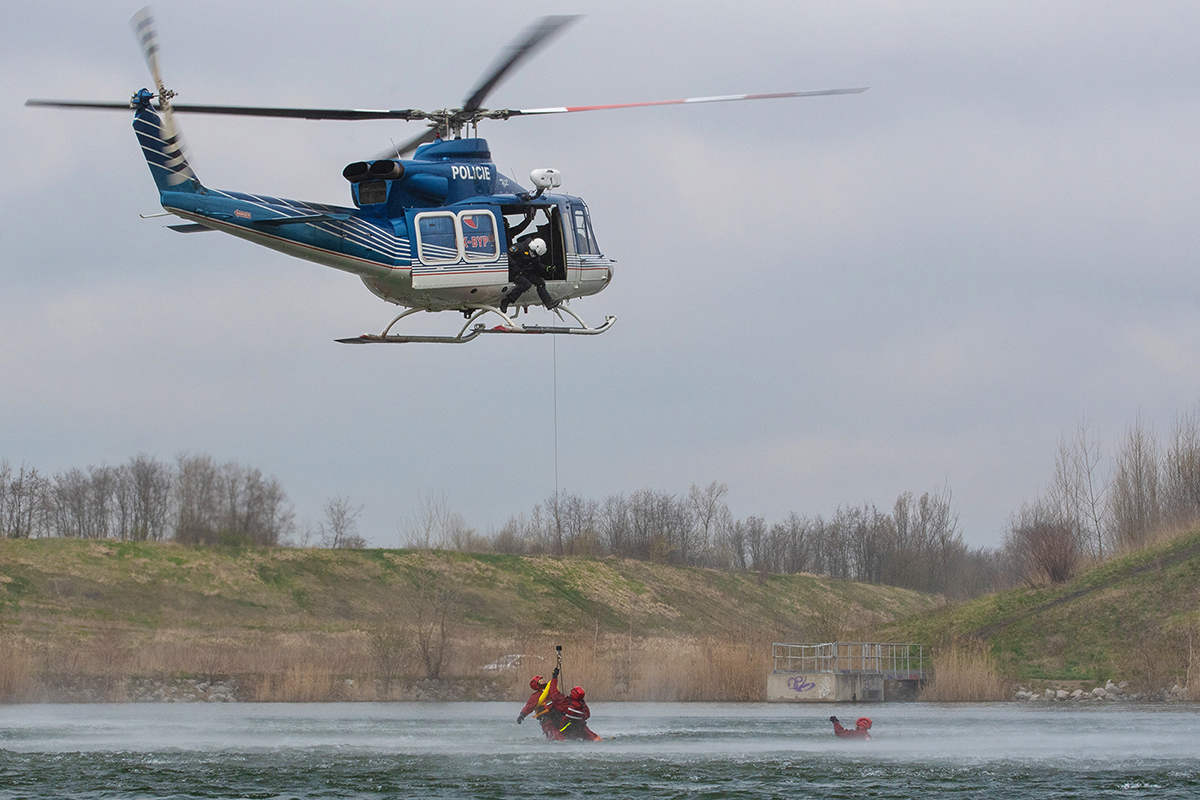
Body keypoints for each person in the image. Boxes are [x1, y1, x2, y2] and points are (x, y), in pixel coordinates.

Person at [501, 236, 557, 313]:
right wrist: (516, 268)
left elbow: (537, 265)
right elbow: (507, 256)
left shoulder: (534, 256)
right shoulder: (519, 247)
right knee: (526, 284)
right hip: (513, 272)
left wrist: (546, 268)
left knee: (540, 281)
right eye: (534, 253)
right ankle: (507, 301)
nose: (534, 255)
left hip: (524, 272)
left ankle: (548, 302)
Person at [518, 668, 566, 740]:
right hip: (547, 720)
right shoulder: (536, 695)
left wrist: (555, 676)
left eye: (543, 679)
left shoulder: (550, 690)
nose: (543, 680)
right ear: (536, 684)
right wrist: (522, 714)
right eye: (540, 680)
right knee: (556, 737)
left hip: (557, 716)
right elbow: (529, 706)